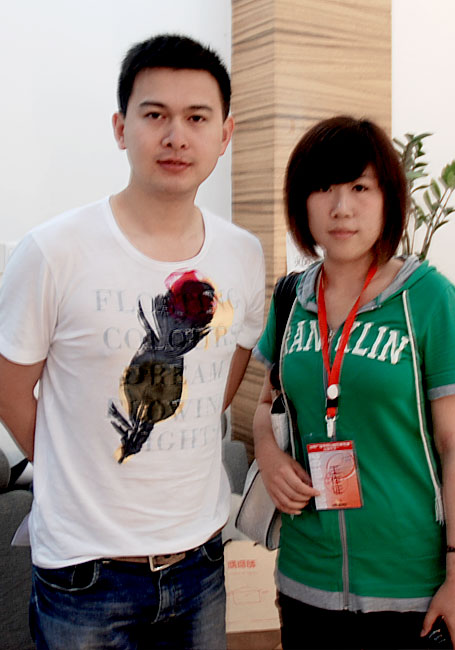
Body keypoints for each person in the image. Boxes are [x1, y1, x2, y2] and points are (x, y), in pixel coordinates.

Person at [0, 34, 265, 650]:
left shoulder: (242, 253)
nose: (176, 136)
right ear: (121, 128)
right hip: (86, 574)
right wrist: (75, 464)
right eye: (155, 115)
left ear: (225, 134)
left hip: (201, 561)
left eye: (196, 118)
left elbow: (227, 369)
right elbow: (10, 389)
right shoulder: (53, 251)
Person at [253, 116, 455, 650]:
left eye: (359, 188)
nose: (341, 208)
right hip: (306, 578)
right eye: (323, 188)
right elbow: (266, 404)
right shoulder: (291, 299)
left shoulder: (428, 299)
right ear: (301, 203)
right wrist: (269, 455)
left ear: (387, 198)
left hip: (411, 586)